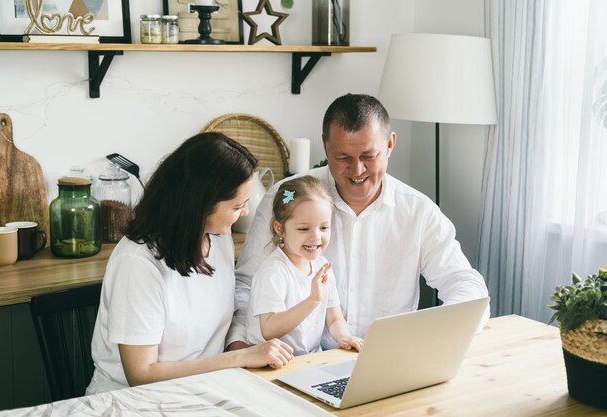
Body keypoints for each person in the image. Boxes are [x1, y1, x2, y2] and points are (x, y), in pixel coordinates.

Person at [228, 93, 490, 350]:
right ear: (326, 145)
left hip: (390, 358)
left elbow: (464, 282)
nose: (357, 171)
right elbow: (247, 284)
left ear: (389, 144)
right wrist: (239, 348)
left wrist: (441, 332)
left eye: (368, 156)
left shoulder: (418, 211)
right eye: (343, 158)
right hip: (301, 362)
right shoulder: (286, 197)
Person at [87, 132, 293, 394]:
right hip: (134, 401)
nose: (245, 212)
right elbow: (141, 374)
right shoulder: (137, 262)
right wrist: (241, 358)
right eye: (237, 205)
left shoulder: (218, 239)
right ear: (200, 205)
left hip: (204, 390)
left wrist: (243, 347)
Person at [245, 176, 363, 355]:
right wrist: (313, 300)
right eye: (303, 229)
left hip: (309, 359)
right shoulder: (273, 272)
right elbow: (268, 329)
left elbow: (334, 318)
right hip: (270, 362)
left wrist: (344, 337)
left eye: (324, 228)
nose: (316, 237)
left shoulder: (322, 266)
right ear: (280, 228)